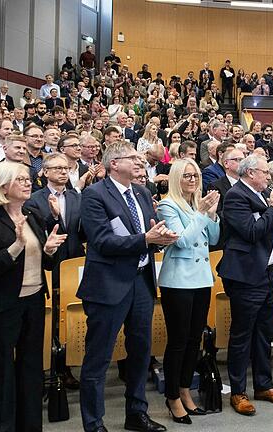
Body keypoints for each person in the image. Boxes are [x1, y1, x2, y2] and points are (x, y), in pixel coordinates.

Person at [78, 142, 178, 432]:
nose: (138, 162)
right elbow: (102, 241)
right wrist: (146, 240)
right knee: (98, 357)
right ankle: (93, 423)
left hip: (141, 282)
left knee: (141, 351)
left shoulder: (143, 192)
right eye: (131, 158)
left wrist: (163, 236)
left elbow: (151, 228)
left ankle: (136, 413)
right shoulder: (95, 194)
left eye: (139, 158)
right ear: (113, 164)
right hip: (108, 285)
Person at [0, 161, 65, 430]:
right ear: (4, 186)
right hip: (3, 304)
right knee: (1, 369)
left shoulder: (32, 214)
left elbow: (46, 264)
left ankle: (29, 425)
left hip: (34, 300)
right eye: (20, 180)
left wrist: (48, 250)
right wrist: (16, 246)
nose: (27, 183)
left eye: (27, 179)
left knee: (31, 366)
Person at [217, 155, 273, 416]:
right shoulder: (237, 196)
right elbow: (251, 231)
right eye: (264, 172)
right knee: (242, 335)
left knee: (264, 332)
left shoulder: (263, 195)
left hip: (268, 274)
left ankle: (264, 384)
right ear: (250, 173)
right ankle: (238, 391)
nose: (268, 177)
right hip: (246, 276)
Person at [156, 158, 220, 423]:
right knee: (179, 341)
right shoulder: (167, 205)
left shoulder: (197, 204)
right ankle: (172, 395)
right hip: (178, 281)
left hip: (202, 279)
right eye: (186, 176)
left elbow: (214, 239)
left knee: (195, 339)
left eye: (195, 175)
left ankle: (185, 389)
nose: (192, 180)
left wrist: (212, 214)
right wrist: (202, 214)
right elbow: (182, 241)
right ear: (175, 179)